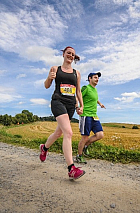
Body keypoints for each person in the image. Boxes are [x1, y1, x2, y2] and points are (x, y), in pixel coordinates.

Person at [39, 46, 85, 180]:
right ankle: (71, 168)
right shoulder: (55, 69)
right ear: (64, 54)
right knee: (68, 133)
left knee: (59, 133)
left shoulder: (77, 73)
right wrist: (49, 77)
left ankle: (44, 148)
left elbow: (78, 91)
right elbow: (47, 85)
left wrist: (80, 105)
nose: (70, 55)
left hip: (70, 105)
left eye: (73, 54)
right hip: (58, 101)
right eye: (68, 53)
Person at [76, 72, 105, 164]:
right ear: (90, 78)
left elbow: (95, 99)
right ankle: (79, 156)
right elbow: (78, 96)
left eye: (98, 78)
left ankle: (85, 146)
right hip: (85, 115)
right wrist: (77, 107)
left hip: (94, 116)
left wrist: (100, 104)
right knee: (85, 137)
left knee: (100, 135)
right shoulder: (86, 88)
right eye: (95, 77)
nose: (97, 79)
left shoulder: (95, 90)